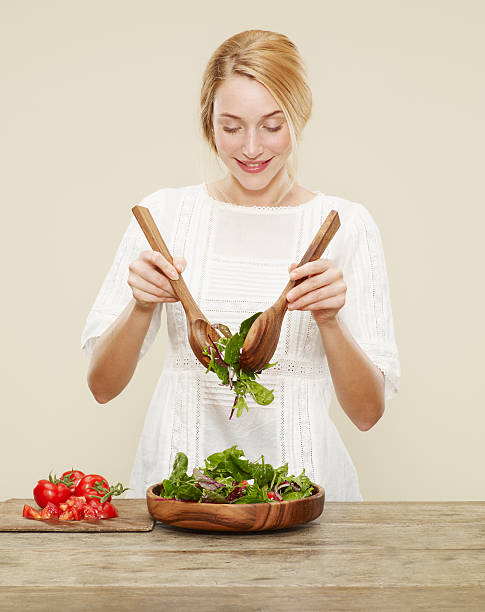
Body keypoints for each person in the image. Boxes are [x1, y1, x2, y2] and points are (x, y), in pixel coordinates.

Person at [81, 29, 400, 501]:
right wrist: (141, 306)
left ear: (299, 115)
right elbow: (102, 386)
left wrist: (330, 321)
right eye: (232, 127)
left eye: (272, 126)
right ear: (209, 123)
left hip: (304, 502)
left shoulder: (346, 225)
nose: (251, 148)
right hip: (178, 499)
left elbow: (367, 414)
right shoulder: (166, 215)